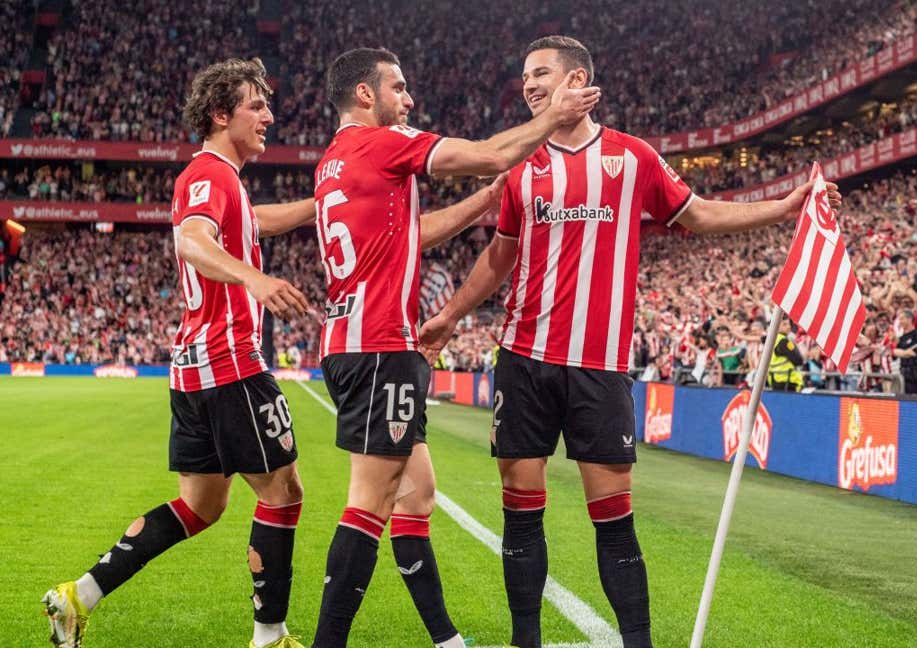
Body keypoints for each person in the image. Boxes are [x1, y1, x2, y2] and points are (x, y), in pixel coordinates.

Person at [418, 35, 840, 648]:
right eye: (526, 77)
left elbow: (697, 214)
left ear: (577, 80)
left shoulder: (631, 157)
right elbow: (500, 255)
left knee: (614, 518)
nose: (529, 86)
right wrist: (451, 316)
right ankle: (524, 641)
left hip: (600, 365)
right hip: (524, 358)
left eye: (541, 74)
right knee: (521, 506)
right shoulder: (520, 165)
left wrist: (782, 208)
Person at [309, 47, 599, 648]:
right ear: (367, 94)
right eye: (399, 87)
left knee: (418, 497)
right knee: (370, 501)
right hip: (380, 346)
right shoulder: (382, 143)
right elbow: (493, 153)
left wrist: (488, 201)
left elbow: (412, 234)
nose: (409, 99)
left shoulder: (334, 162)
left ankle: (446, 638)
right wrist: (553, 116)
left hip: (353, 341)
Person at [43, 58, 316, 648]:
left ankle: (76, 597)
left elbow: (254, 221)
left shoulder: (227, 184)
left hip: (194, 368)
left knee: (200, 505)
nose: (269, 115)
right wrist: (254, 280)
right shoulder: (209, 175)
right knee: (283, 492)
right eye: (256, 105)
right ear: (222, 115)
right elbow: (192, 239)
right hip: (230, 363)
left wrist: (320, 206)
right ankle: (270, 637)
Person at [766, 317, 805, 391]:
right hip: (788, 380)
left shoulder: (770, 339)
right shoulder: (784, 341)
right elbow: (799, 360)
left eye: (789, 324)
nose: (789, 327)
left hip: (774, 379)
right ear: (776, 326)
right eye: (784, 324)